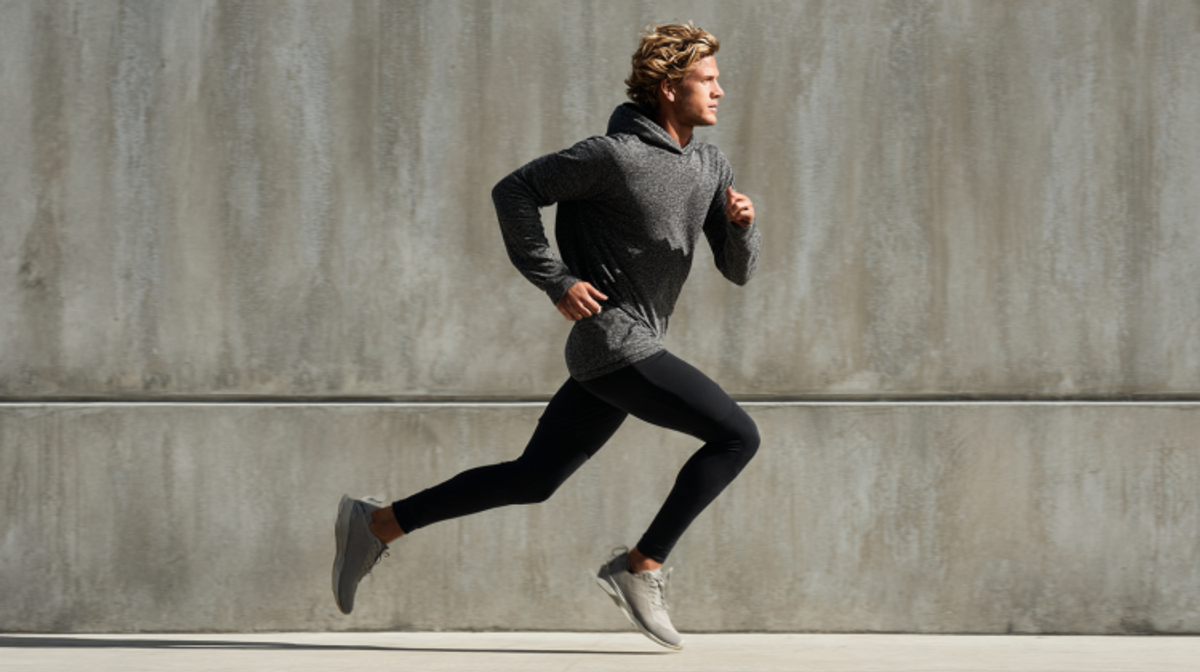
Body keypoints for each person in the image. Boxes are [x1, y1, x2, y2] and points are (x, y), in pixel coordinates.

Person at [332, 22, 761, 650]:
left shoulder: (709, 164)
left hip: (617, 351)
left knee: (534, 479)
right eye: (708, 79)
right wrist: (556, 279)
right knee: (735, 435)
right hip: (615, 340)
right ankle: (641, 566)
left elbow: (736, 271)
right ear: (670, 88)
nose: (720, 90)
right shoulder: (611, 156)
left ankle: (378, 523)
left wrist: (743, 226)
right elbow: (515, 191)